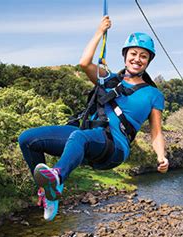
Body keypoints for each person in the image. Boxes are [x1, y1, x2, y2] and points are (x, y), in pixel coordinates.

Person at [18, 15, 169, 221]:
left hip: (114, 147)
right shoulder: (108, 79)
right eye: (133, 53)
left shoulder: (153, 94)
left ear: (148, 61)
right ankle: (49, 194)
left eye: (144, 56)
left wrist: (161, 157)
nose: (137, 59)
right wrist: (100, 31)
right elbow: (84, 63)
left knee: (80, 138)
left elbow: (156, 133)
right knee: (27, 139)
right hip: (87, 135)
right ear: (125, 56)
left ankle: (57, 177)